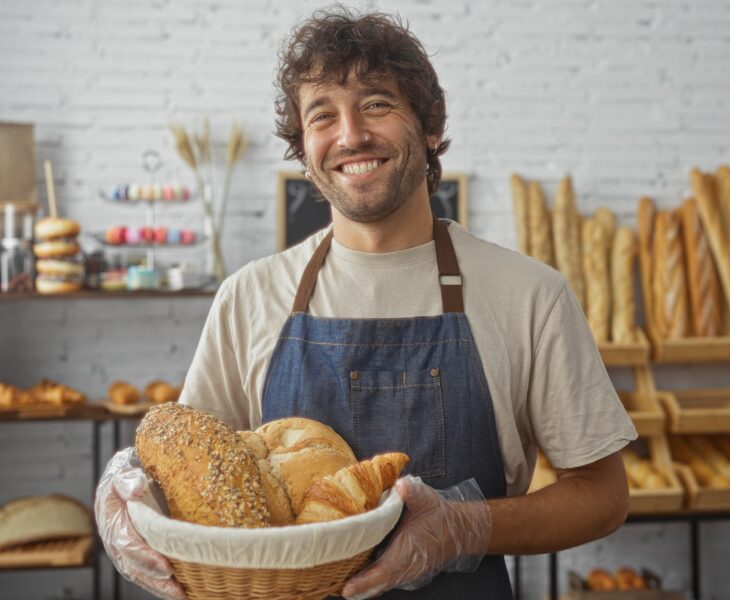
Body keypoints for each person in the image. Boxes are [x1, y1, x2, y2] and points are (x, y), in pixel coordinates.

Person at [95, 6, 637, 600]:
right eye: (323, 114)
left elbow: (603, 495)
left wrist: (465, 527)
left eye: (377, 104)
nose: (350, 135)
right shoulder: (249, 297)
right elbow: (184, 472)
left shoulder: (529, 295)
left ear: (429, 128)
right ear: (303, 148)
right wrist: (120, 491)